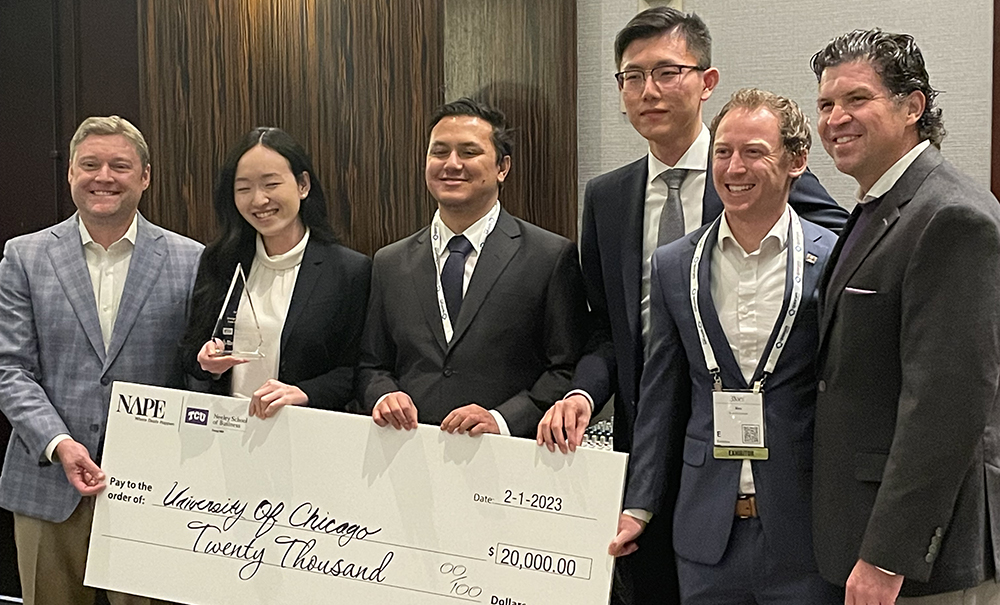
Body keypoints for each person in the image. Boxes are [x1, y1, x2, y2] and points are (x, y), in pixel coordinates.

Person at [535, 7, 847, 603]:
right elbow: (609, 330)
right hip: (657, 441)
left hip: (775, 454)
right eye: (632, 76)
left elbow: (840, 258)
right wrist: (582, 392)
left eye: (667, 71)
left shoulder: (755, 164)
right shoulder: (607, 196)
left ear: (706, 81)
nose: (648, 90)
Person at [608, 88, 842, 603]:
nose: (734, 167)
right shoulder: (674, 264)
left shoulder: (833, 261)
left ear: (796, 161)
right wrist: (638, 505)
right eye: (723, 151)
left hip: (803, 530)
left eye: (754, 152)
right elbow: (661, 395)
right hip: (704, 532)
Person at [811, 29, 1000, 604]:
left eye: (856, 99)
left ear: (912, 106)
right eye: (825, 104)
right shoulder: (879, 206)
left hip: (923, 567)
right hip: (867, 539)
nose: (835, 118)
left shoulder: (951, 217)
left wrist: (887, 558)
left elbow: (944, 409)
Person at [0, 116, 202, 604]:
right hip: (48, 480)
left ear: (146, 176)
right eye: (89, 164)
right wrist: (59, 443)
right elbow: (10, 370)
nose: (103, 177)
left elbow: (196, 377)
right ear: (70, 173)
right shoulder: (24, 257)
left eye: (119, 165)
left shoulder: (191, 259)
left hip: (153, 491)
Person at [357, 97, 587, 438]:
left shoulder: (549, 256)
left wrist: (503, 419)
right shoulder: (390, 262)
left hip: (505, 462)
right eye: (439, 152)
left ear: (502, 167)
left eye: (468, 152)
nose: (451, 164)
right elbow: (371, 364)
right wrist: (383, 394)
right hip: (408, 453)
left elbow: (566, 368)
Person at [181, 127, 370, 416]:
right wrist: (207, 362)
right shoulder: (220, 260)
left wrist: (305, 392)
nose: (258, 200)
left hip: (304, 436)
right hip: (227, 433)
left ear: (303, 185)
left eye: (270, 184)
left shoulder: (347, 270)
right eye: (243, 188)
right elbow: (192, 352)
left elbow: (356, 372)